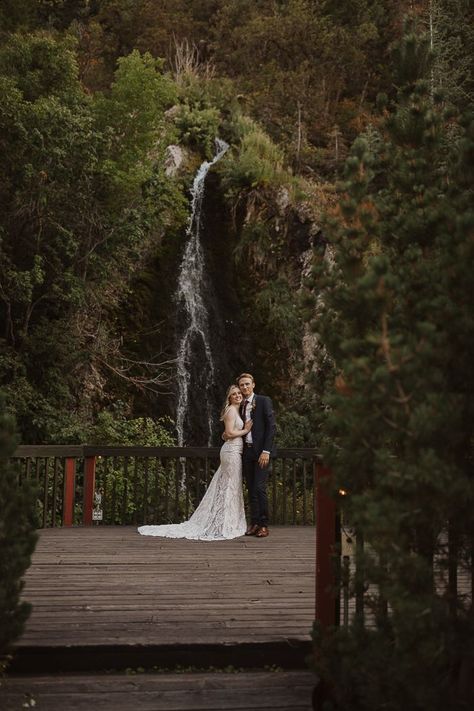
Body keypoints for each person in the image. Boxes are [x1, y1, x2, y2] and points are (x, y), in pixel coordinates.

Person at [138, 385, 252, 541]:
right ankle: (224, 524)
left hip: (234, 451)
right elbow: (231, 433)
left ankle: (228, 522)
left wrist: (231, 434)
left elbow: (225, 434)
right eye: (234, 394)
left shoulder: (237, 410)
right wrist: (245, 430)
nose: (238, 395)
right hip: (231, 452)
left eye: (239, 393)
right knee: (229, 487)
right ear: (229, 397)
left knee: (230, 486)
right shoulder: (231, 410)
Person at [236, 372, 276, 538]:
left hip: (261, 452)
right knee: (251, 488)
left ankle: (264, 525)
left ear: (253, 384)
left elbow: (271, 427)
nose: (244, 387)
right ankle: (254, 523)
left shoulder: (263, 401)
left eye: (247, 384)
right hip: (247, 451)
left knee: (260, 488)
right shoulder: (239, 404)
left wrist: (266, 451)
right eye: (242, 385)